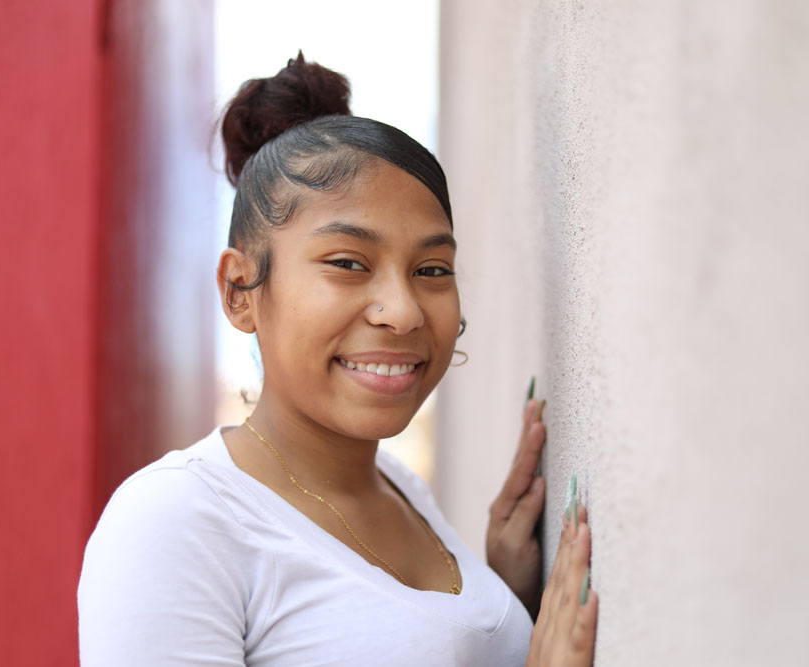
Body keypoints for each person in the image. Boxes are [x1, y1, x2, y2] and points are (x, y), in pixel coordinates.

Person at [78, 53, 597, 666]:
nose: (402, 312)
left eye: (432, 270)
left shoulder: (400, 488)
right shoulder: (174, 522)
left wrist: (505, 594)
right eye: (348, 263)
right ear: (240, 290)